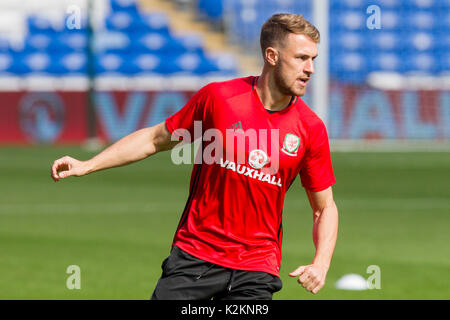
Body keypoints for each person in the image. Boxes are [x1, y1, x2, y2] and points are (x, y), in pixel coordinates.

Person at [50, 13, 338, 300]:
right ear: (272, 56)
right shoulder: (218, 99)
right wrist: (88, 165)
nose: (310, 68)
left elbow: (324, 208)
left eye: (313, 58)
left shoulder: (310, 128)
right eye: (301, 58)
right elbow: (155, 139)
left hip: (256, 269)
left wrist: (321, 263)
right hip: (195, 256)